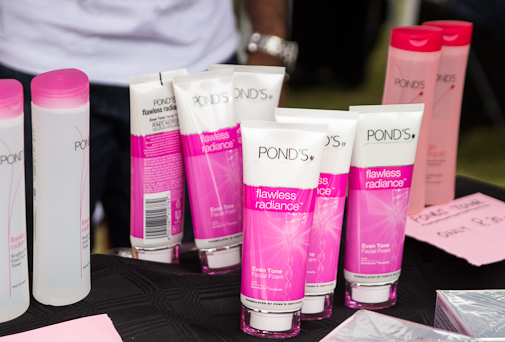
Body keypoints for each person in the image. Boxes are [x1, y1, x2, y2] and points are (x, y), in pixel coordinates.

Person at [0, 0, 292, 266]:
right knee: (37, 269)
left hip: (196, 70)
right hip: (37, 62)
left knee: (195, 269)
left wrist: (271, 45)